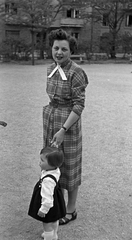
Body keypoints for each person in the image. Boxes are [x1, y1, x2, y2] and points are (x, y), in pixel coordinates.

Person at [42, 29, 88, 225]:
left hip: (67, 124)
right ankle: (55, 204)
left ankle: (71, 210)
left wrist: (63, 130)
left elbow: (79, 105)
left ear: (71, 51)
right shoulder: (50, 68)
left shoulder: (76, 72)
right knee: (52, 162)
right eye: (56, 48)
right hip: (50, 120)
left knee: (69, 165)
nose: (59, 52)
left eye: (64, 49)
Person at [28, 146, 66, 240]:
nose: (39, 162)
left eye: (42, 160)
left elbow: (47, 198)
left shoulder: (48, 181)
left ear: (51, 164)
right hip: (56, 200)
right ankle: (54, 235)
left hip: (48, 204)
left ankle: (49, 236)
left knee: (47, 224)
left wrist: (43, 209)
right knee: (55, 219)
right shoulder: (55, 170)